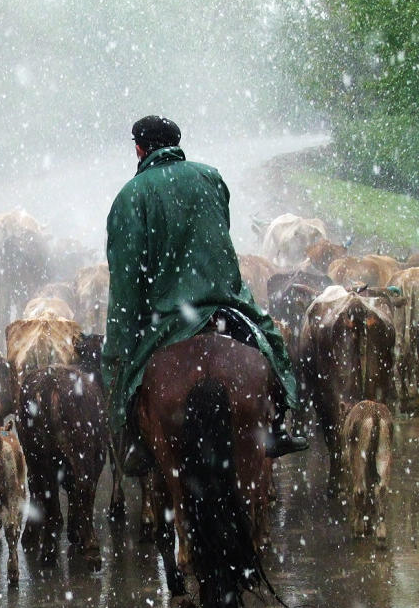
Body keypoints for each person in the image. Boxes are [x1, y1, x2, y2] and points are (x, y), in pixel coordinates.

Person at [101, 115, 307, 475]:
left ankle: (134, 444)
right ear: (176, 144)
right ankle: (277, 425)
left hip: (165, 319)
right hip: (224, 304)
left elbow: (125, 282)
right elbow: (219, 238)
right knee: (272, 345)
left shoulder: (130, 196)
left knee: (122, 378)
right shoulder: (211, 178)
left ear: (138, 148)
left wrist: (118, 346)